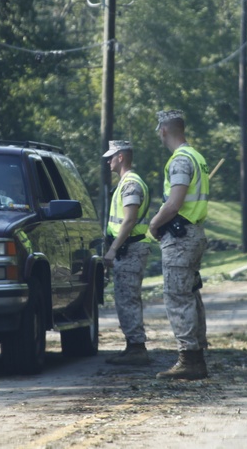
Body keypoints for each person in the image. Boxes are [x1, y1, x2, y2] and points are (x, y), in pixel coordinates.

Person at [148, 109, 210, 380]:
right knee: (190, 293)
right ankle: (196, 354)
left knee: (177, 295)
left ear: (163, 130)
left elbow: (174, 203)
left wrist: (153, 223)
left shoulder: (181, 160)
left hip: (181, 237)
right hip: (193, 233)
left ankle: (190, 359)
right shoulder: (196, 155)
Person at [101, 140, 153, 366]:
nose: (108, 161)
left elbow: (130, 219)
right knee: (126, 298)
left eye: (111, 157)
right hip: (127, 248)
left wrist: (112, 250)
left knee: (128, 298)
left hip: (129, 249)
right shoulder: (127, 182)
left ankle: (137, 348)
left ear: (121, 157)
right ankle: (133, 345)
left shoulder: (130, 184)